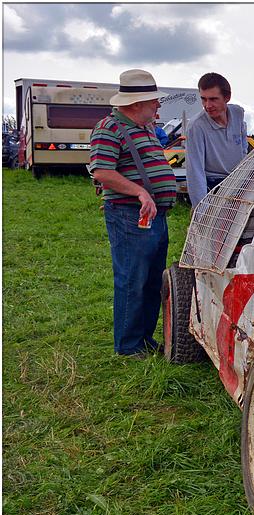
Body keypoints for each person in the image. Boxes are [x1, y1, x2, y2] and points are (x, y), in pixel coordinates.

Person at [89, 69, 176, 357]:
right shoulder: (109, 128)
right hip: (129, 215)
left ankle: (143, 338)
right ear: (138, 103)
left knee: (151, 279)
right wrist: (139, 192)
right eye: (154, 101)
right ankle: (128, 346)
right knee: (132, 279)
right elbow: (102, 171)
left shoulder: (145, 128)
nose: (158, 106)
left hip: (153, 216)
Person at [185, 72, 248, 207]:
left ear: (227, 97)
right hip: (214, 187)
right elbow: (195, 171)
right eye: (203, 99)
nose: (208, 105)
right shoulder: (196, 126)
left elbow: (243, 150)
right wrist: (201, 210)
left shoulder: (238, 114)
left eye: (213, 99)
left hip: (238, 183)